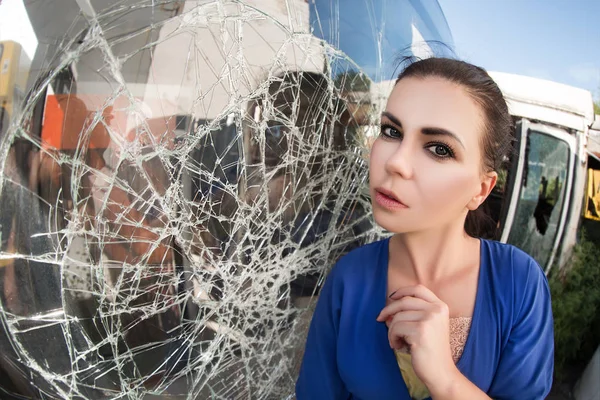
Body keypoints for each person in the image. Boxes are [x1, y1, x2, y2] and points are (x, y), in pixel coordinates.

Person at [295, 57, 554, 399]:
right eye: (391, 131)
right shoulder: (349, 278)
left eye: (439, 149)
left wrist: (445, 379)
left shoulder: (518, 283)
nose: (396, 162)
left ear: (481, 189)